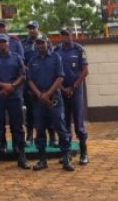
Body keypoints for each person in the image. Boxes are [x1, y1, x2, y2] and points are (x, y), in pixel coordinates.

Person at [28, 35, 74, 171]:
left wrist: (48, 94)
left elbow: (60, 77)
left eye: (42, 43)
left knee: (60, 128)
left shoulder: (55, 57)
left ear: (47, 43)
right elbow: (30, 80)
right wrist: (40, 95)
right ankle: (42, 160)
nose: (40, 45)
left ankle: (66, 158)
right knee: (40, 128)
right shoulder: (32, 60)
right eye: (38, 43)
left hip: (54, 98)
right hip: (39, 99)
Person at [0, 33, 30, 171]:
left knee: (18, 126)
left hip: (14, 96)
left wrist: (12, 86)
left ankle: (21, 156)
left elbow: (23, 76)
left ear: (8, 43)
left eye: (4, 41)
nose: (2, 44)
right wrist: (3, 86)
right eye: (0, 42)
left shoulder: (16, 57)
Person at [55, 27, 90, 165]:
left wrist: (73, 87)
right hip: (62, 91)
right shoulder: (57, 51)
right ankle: (67, 153)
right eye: (62, 35)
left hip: (76, 91)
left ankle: (83, 152)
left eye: (67, 34)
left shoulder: (79, 49)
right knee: (64, 123)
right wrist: (63, 88)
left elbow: (85, 71)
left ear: (71, 35)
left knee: (78, 122)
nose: (64, 37)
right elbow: (54, 72)